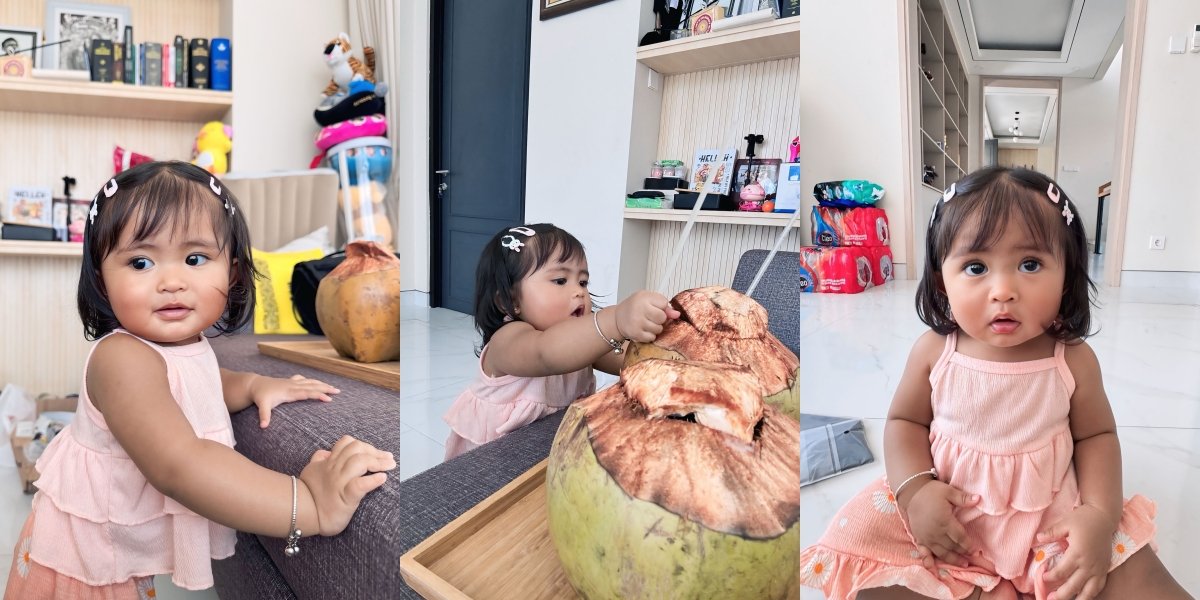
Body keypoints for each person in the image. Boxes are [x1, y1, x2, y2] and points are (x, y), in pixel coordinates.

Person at [4, 161, 396, 598]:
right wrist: (308, 504)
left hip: (114, 562)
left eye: (194, 258)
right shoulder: (120, 359)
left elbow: (197, 382)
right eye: (140, 262)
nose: (171, 281)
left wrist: (249, 384)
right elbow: (181, 464)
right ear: (101, 277)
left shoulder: (182, 346)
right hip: (82, 569)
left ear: (231, 271)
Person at [799, 167, 1191, 600]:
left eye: (1030, 264)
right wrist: (915, 492)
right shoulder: (934, 352)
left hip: (1048, 521)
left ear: (1068, 275)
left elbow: (1097, 435)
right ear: (940, 281)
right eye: (976, 266)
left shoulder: (1073, 358)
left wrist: (1099, 515)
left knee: (1138, 580)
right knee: (875, 582)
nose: (1003, 289)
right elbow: (904, 423)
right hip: (949, 521)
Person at [442, 223, 679, 460]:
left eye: (583, 282)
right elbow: (546, 353)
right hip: (491, 465)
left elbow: (630, 360)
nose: (579, 292)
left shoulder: (580, 346)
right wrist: (615, 320)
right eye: (560, 280)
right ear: (509, 302)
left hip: (551, 454)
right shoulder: (507, 341)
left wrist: (666, 348)